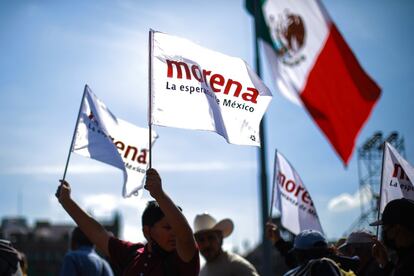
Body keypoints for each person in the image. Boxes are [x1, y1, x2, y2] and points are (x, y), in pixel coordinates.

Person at [56, 168, 199, 275]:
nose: (175, 233)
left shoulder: (182, 259)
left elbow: (185, 236)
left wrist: (159, 194)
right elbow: (98, 234)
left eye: (176, 227)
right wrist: (66, 202)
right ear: (147, 231)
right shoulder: (132, 253)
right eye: (168, 228)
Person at [265, 223, 358, 275]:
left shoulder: (321, 266)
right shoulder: (348, 266)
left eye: (296, 253)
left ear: (299, 254)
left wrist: (278, 240)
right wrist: (278, 240)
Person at [193, 213, 259, 276]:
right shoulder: (202, 272)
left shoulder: (236, 265)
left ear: (220, 238)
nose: (206, 244)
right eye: (201, 240)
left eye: (211, 238)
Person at [370, 198, 414, 276]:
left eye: (384, 228)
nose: (384, 233)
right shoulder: (404, 256)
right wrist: (385, 264)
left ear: (398, 227)